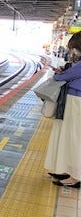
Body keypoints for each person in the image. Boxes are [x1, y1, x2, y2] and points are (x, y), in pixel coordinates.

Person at [49, 32, 81, 188]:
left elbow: (61, 77)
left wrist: (62, 74)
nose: (73, 51)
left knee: (75, 138)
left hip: (77, 102)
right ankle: (69, 170)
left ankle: (76, 177)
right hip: (74, 101)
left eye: (74, 48)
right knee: (70, 137)